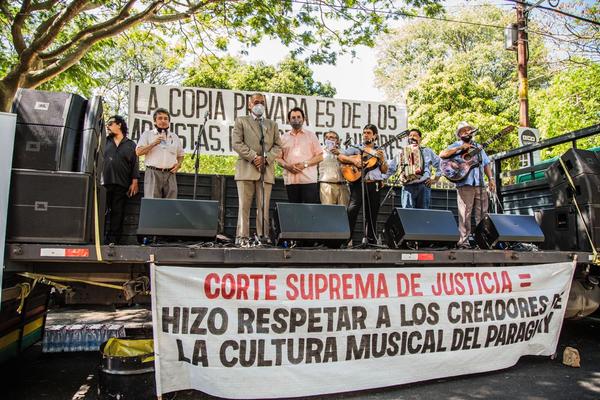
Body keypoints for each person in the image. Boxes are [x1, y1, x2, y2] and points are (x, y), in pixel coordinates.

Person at [232, 93, 282, 245]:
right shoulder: (241, 121)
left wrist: (266, 159)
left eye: (262, 102)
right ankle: (242, 238)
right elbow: (236, 143)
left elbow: (278, 146)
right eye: (256, 102)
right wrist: (254, 157)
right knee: (244, 207)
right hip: (246, 169)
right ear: (249, 105)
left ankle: (262, 237)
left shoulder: (271, 124)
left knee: (263, 207)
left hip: (265, 172)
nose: (259, 104)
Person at [439, 121, 496, 249]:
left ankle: (483, 240)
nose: (466, 132)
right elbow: (442, 155)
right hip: (465, 183)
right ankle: (463, 242)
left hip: (480, 183)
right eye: (463, 131)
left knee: (482, 213)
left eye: (468, 130)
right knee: (465, 214)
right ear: (459, 134)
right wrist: (460, 148)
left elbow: (486, 163)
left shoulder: (478, 147)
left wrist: (491, 179)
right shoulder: (456, 145)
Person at [338, 124, 389, 244]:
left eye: (369, 133)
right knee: (352, 211)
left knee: (372, 214)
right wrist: (354, 160)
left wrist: (382, 160)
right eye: (364, 132)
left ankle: (370, 241)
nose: (365, 135)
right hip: (359, 184)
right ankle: (346, 239)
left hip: (374, 185)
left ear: (375, 136)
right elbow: (340, 156)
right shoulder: (356, 148)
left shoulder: (380, 151)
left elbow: (384, 170)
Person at [102, 115, 139, 244]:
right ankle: (99, 239)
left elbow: (135, 163)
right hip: (104, 182)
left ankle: (113, 240)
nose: (108, 126)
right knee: (102, 211)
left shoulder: (130, 144)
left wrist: (134, 181)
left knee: (118, 212)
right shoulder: (104, 141)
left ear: (119, 125)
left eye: (110, 123)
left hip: (122, 182)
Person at [386, 129, 441, 209]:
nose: (412, 137)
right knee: (407, 215)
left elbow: (440, 164)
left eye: (415, 135)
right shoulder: (402, 152)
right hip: (407, 187)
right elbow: (391, 168)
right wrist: (382, 179)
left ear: (420, 139)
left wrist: (435, 179)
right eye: (410, 136)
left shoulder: (427, 151)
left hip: (423, 186)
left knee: (423, 215)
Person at [277, 107, 323, 203]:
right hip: (291, 182)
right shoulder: (283, 138)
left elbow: (320, 156)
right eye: (293, 117)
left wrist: (305, 164)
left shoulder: (311, 136)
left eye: (299, 117)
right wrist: (287, 166)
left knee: (309, 214)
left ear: (303, 119)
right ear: (289, 120)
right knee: (294, 213)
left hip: (308, 181)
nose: (296, 119)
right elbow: (278, 158)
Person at [135, 108, 184, 199]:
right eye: (160, 118)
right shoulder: (147, 134)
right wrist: (153, 144)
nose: (163, 121)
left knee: (171, 204)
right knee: (152, 204)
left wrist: (179, 164)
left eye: (166, 118)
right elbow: (138, 152)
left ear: (169, 122)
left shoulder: (174, 137)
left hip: (170, 174)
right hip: (153, 173)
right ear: (154, 121)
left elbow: (181, 155)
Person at [318, 130, 349, 205]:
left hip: (342, 185)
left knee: (343, 212)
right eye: (326, 138)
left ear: (337, 141)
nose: (329, 139)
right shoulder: (320, 152)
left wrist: (339, 153)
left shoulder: (344, 152)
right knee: (328, 212)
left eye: (331, 137)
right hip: (326, 185)